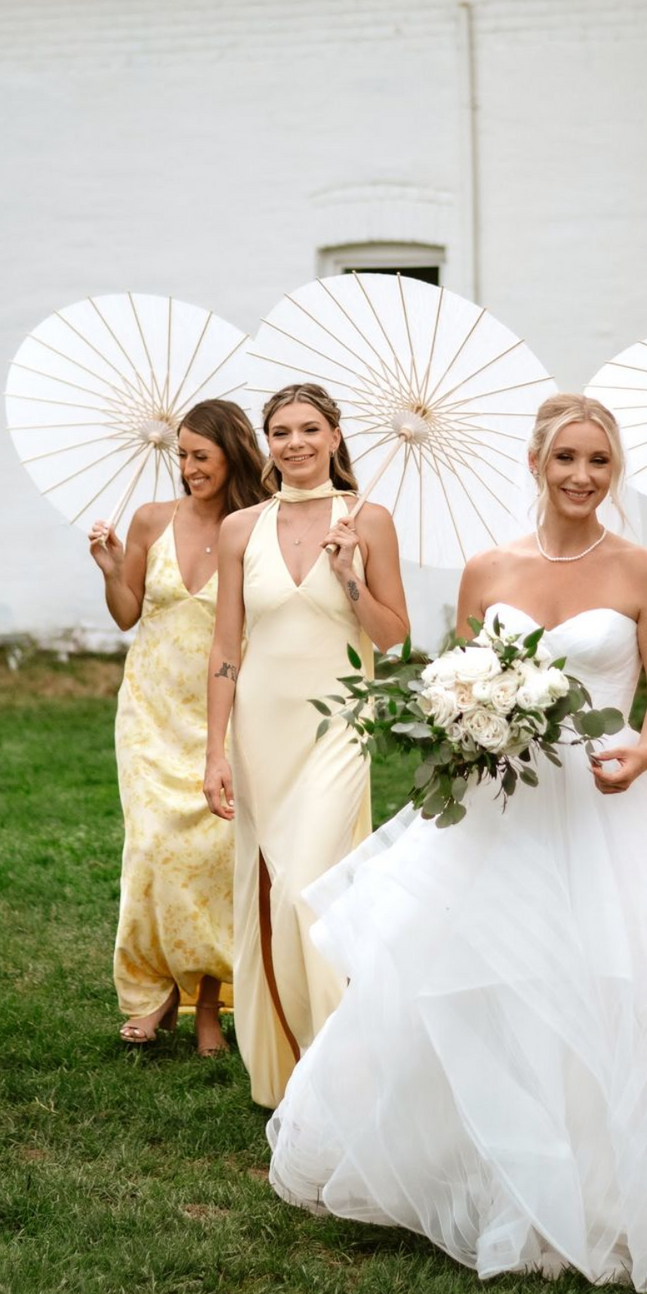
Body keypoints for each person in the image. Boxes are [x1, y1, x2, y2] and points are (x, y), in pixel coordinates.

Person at [266, 394, 647, 1289]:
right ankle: (489, 1172)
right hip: (501, 806)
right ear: (536, 464)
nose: (581, 476)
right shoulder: (487, 570)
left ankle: (611, 1182)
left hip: (610, 799)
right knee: (486, 979)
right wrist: (460, 727)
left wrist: (646, 747)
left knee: (615, 983)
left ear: (614, 471)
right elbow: (456, 676)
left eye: (599, 461)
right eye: (566, 458)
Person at [204, 381, 410, 1108]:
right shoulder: (240, 529)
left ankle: (342, 1073)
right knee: (269, 895)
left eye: (308, 429)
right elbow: (226, 645)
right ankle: (287, 1076)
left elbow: (394, 636)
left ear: (334, 435)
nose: (294, 443)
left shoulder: (370, 520)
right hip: (260, 730)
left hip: (338, 725)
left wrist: (350, 575)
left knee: (307, 895)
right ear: (267, 443)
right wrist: (214, 750)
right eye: (281, 431)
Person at [89, 398, 265, 1056]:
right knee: (153, 847)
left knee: (216, 855)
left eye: (203, 457)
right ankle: (150, 990)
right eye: (183, 455)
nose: (189, 468)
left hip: (225, 706)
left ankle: (208, 1005)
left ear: (232, 456)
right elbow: (127, 613)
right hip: (150, 706)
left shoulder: (255, 527)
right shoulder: (151, 520)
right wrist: (111, 570)